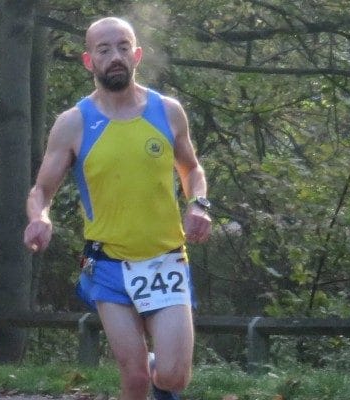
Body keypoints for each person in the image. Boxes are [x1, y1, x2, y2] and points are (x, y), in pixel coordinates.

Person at [22, 17, 211, 400]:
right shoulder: (73, 123)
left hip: (165, 259)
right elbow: (41, 189)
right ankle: (148, 372)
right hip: (108, 264)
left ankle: (163, 370)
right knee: (135, 376)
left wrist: (199, 204)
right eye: (104, 50)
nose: (115, 57)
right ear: (88, 61)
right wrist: (39, 217)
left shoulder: (168, 111)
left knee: (173, 377)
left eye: (123, 47)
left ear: (137, 55)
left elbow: (191, 169)